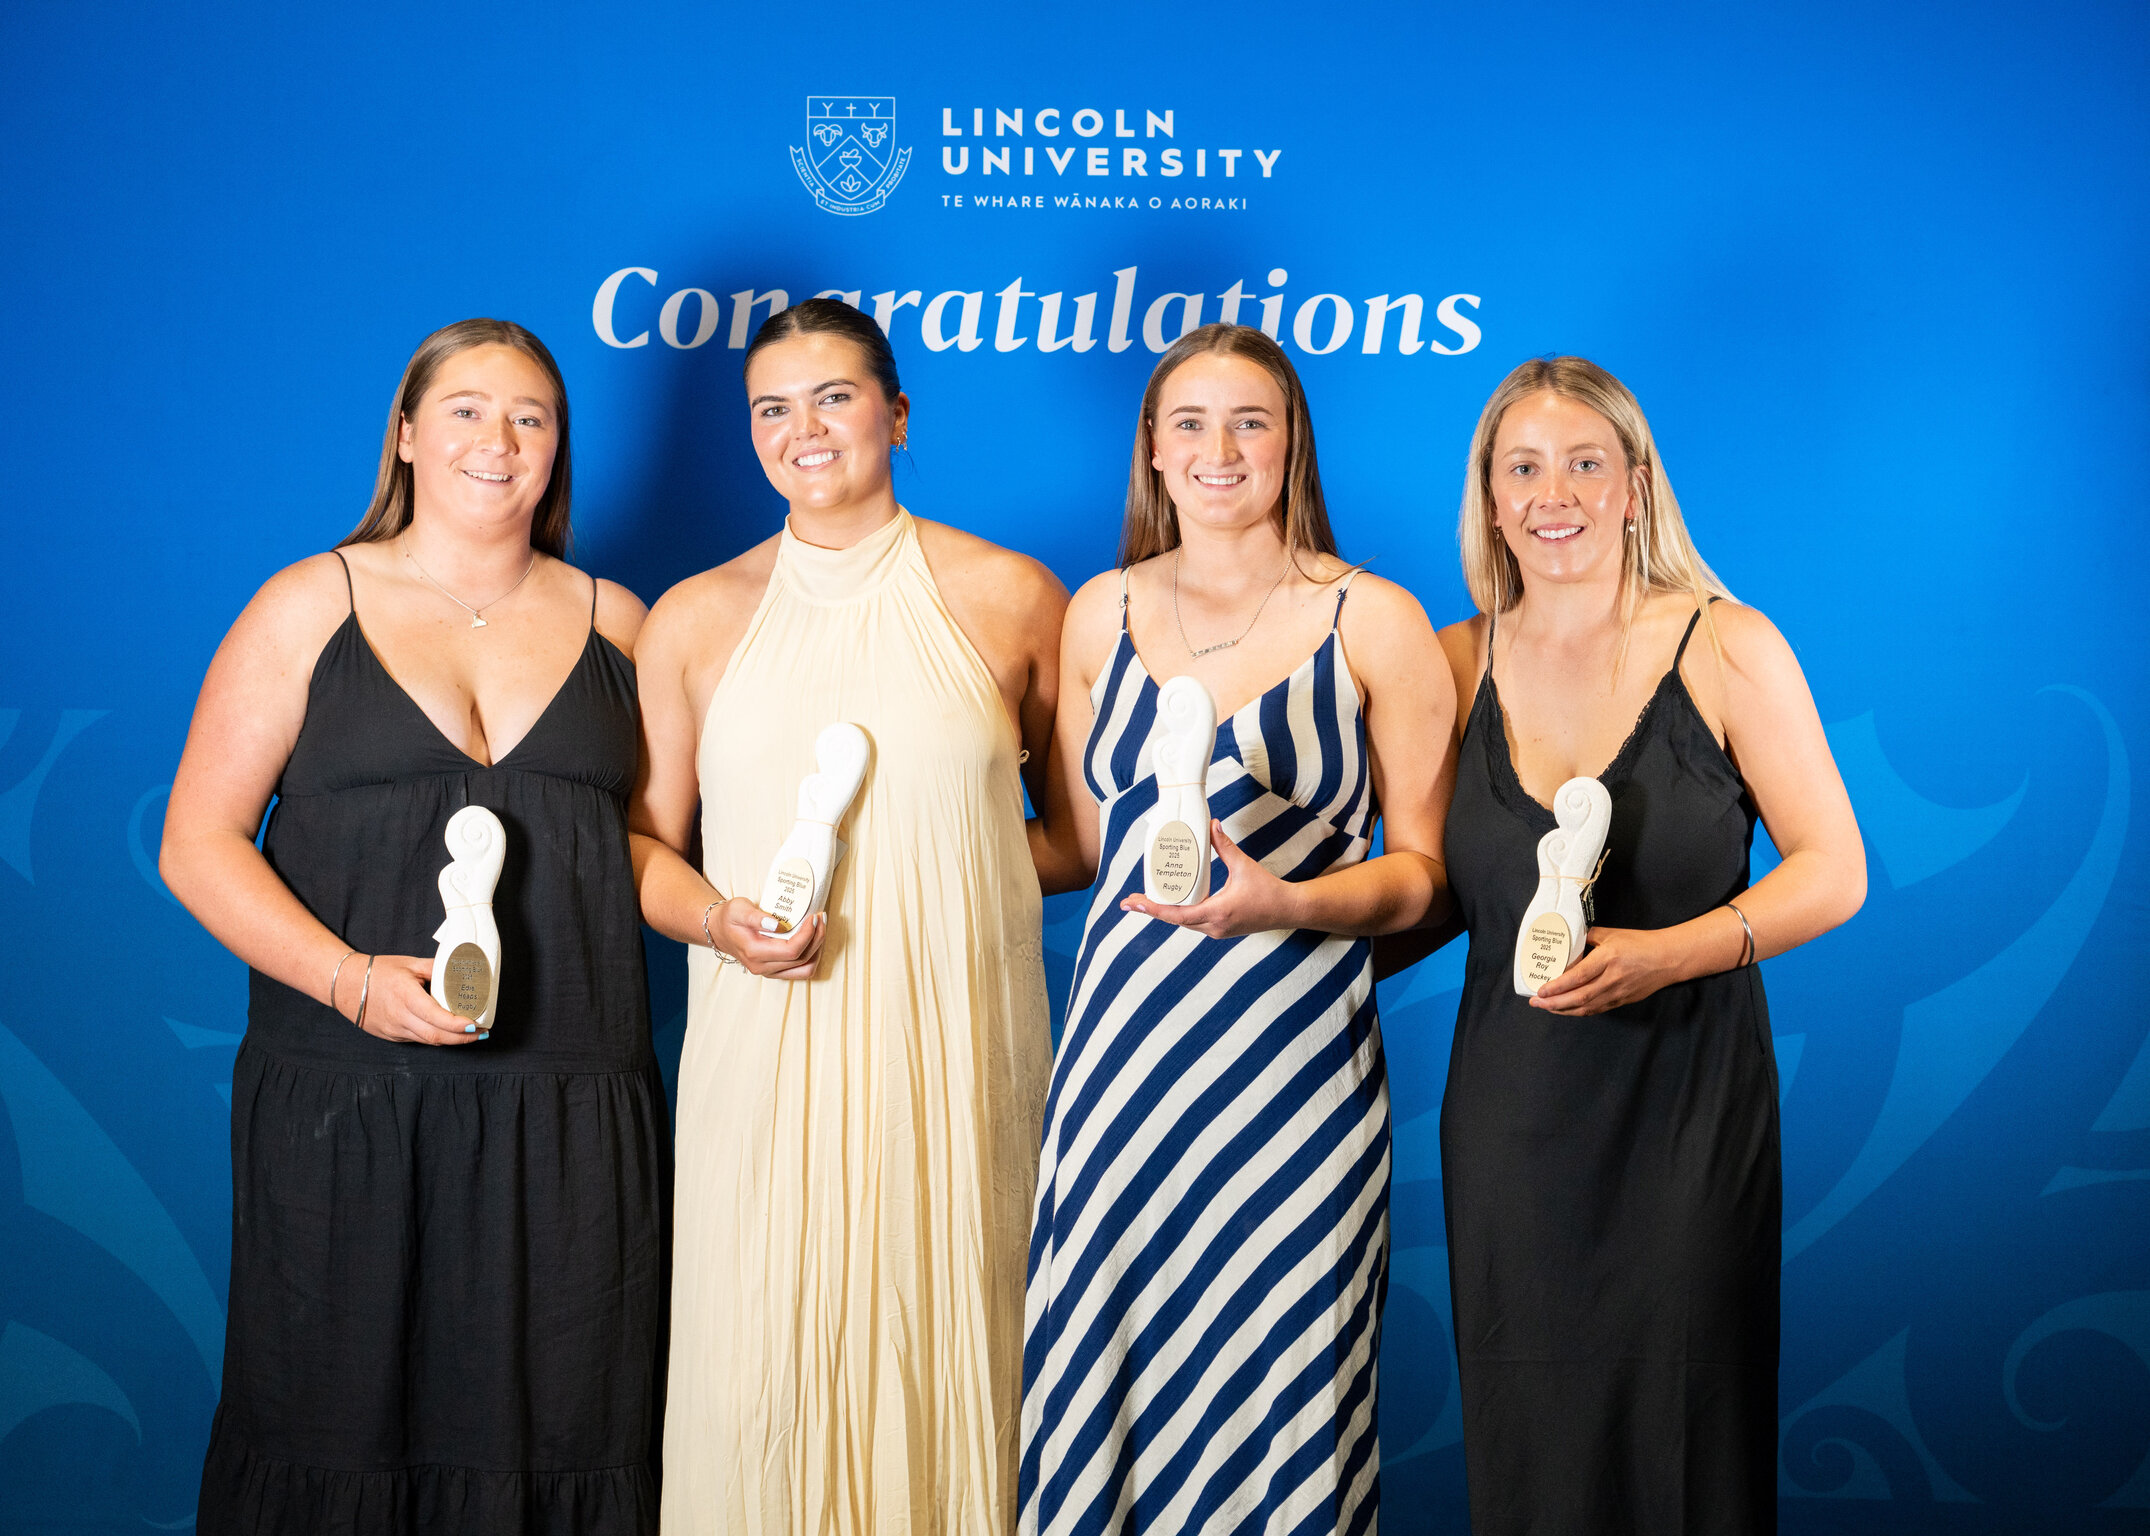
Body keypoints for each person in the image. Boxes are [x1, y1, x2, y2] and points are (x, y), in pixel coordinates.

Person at [160, 319, 665, 1531]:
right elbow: (197, 843)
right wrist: (345, 981)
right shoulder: (306, 603)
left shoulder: (621, 624)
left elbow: (660, 853)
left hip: (570, 1111)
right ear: (404, 433)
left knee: (569, 1420)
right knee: (332, 1423)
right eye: (465, 410)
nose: (498, 440)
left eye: (531, 417)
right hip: (348, 1100)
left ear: (558, 452)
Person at [631, 297, 1068, 1534]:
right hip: (761, 1063)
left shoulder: (1013, 597)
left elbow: (1077, 839)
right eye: (772, 407)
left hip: (955, 1056)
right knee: (763, 1363)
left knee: (957, 1346)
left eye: (831, 397)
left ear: (897, 414)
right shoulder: (693, 618)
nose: (801, 429)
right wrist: (723, 924)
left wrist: (938, 879)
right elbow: (642, 849)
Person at [1018, 323, 1454, 1535]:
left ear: (1290, 446)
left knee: (1285, 1384)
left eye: (1249, 422)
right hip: (1119, 1075)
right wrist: (902, 859)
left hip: (1291, 1075)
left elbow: (1421, 877)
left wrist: (1291, 903)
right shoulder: (1096, 612)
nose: (1219, 449)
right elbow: (1079, 845)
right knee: (1097, 1380)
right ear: (1151, 450)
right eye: (1190, 423)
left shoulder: (1373, 619)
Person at [1431, 357, 1865, 1533]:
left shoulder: (1728, 645)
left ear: (1634, 485)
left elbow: (1833, 871)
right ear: (1487, 493)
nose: (1551, 491)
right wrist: (1264, 927)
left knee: (1684, 1433)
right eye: (1521, 465)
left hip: (1684, 1116)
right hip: (1511, 1126)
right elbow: (1428, 894)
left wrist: (1673, 952)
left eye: (1583, 462)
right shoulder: (1449, 656)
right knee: (1532, 1453)